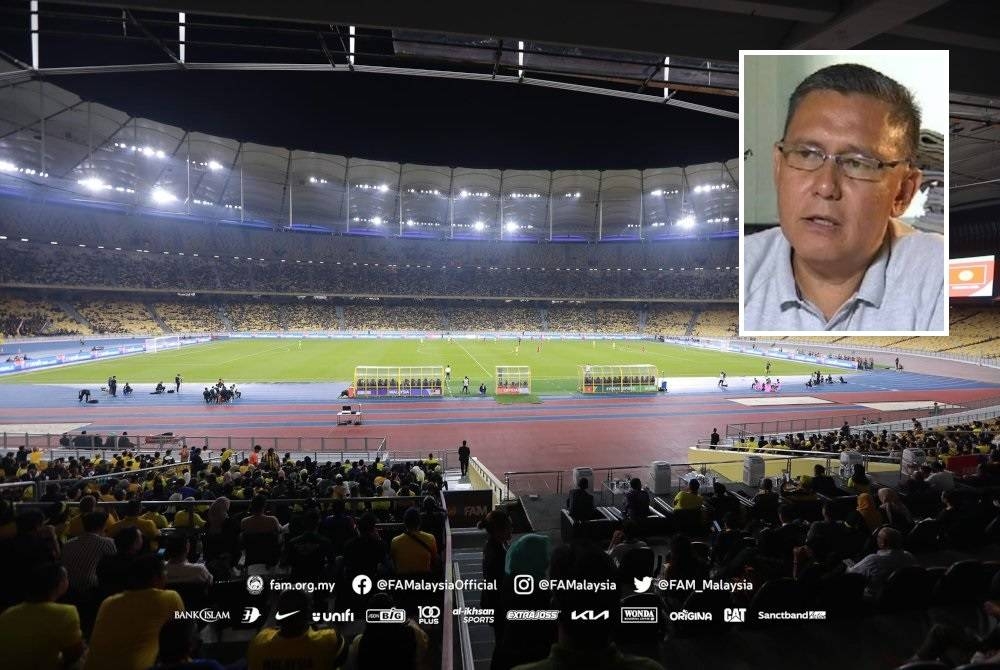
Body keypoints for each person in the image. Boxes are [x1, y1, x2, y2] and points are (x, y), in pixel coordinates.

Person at [743, 63, 943, 331]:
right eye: (807, 154)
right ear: (778, 168)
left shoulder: (938, 277)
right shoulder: (742, 268)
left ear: (903, 193)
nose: (826, 186)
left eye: (857, 163)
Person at [85, 554, 185, 670]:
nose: (166, 577)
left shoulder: (108, 602)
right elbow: (183, 633)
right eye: (165, 573)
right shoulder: (169, 598)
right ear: (156, 577)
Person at [0, 563, 85, 670]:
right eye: (66, 578)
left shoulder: (7, 613)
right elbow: (74, 654)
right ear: (61, 584)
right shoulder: (65, 613)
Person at [247, 591, 345, 670]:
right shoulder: (326, 640)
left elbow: (266, 628)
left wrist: (273, 604)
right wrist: (331, 604)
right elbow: (338, 640)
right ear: (309, 613)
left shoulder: (259, 643)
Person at [847, 527, 918, 600]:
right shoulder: (909, 556)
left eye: (878, 537)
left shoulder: (873, 559)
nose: (876, 540)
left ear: (883, 542)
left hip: (874, 599)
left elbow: (851, 574)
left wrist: (848, 564)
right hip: (903, 597)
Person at [390, 507, 438, 575]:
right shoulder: (430, 538)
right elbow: (434, 560)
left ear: (405, 522)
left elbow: (394, 562)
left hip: (403, 581)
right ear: (419, 522)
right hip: (424, 580)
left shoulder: (395, 541)